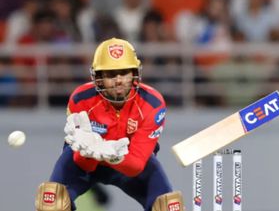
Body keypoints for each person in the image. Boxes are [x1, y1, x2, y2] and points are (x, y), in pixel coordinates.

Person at [34, 38, 184, 211]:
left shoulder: (153, 104)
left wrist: (113, 155)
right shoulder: (81, 99)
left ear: (135, 74)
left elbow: (136, 166)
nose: (118, 80)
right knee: (51, 203)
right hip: (87, 164)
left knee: (168, 206)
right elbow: (83, 164)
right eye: (111, 74)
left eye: (124, 72)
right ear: (98, 77)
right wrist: (90, 150)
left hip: (128, 161)